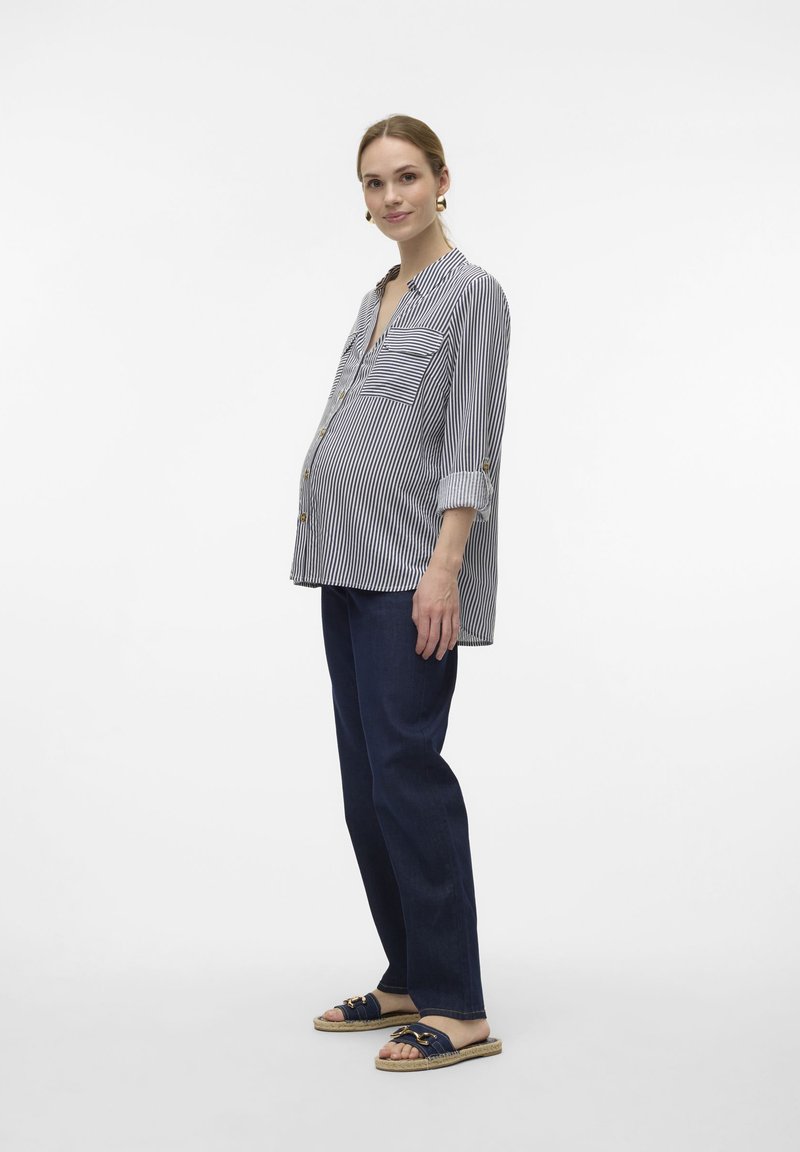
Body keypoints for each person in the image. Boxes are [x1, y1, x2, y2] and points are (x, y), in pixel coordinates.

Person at [290, 114, 511, 1072]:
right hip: (344, 562)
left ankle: (458, 1007)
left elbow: (472, 436)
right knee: (366, 787)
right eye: (375, 183)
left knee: (409, 777)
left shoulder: (472, 294)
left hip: (411, 572)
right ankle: (411, 974)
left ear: (443, 179)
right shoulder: (379, 293)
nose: (391, 198)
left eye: (407, 177)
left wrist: (445, 565)